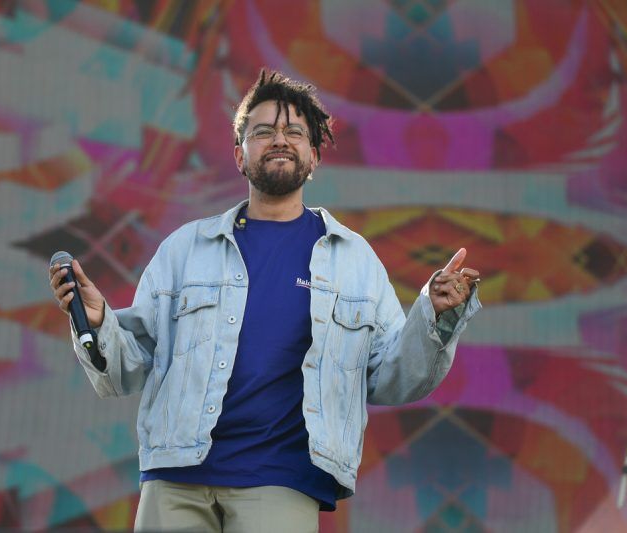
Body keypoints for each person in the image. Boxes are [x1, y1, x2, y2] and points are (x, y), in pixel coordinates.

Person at [49, 70, 481, 533]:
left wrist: (434, 314)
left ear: (314, 156)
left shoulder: (354, 261)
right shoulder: (184, 249)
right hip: (175, 477)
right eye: (262, 132)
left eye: (294, 131)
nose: (279, 139)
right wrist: (97, 321)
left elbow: (392, 376)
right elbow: (127, 368)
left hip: (282, 479)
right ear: (240, 155)